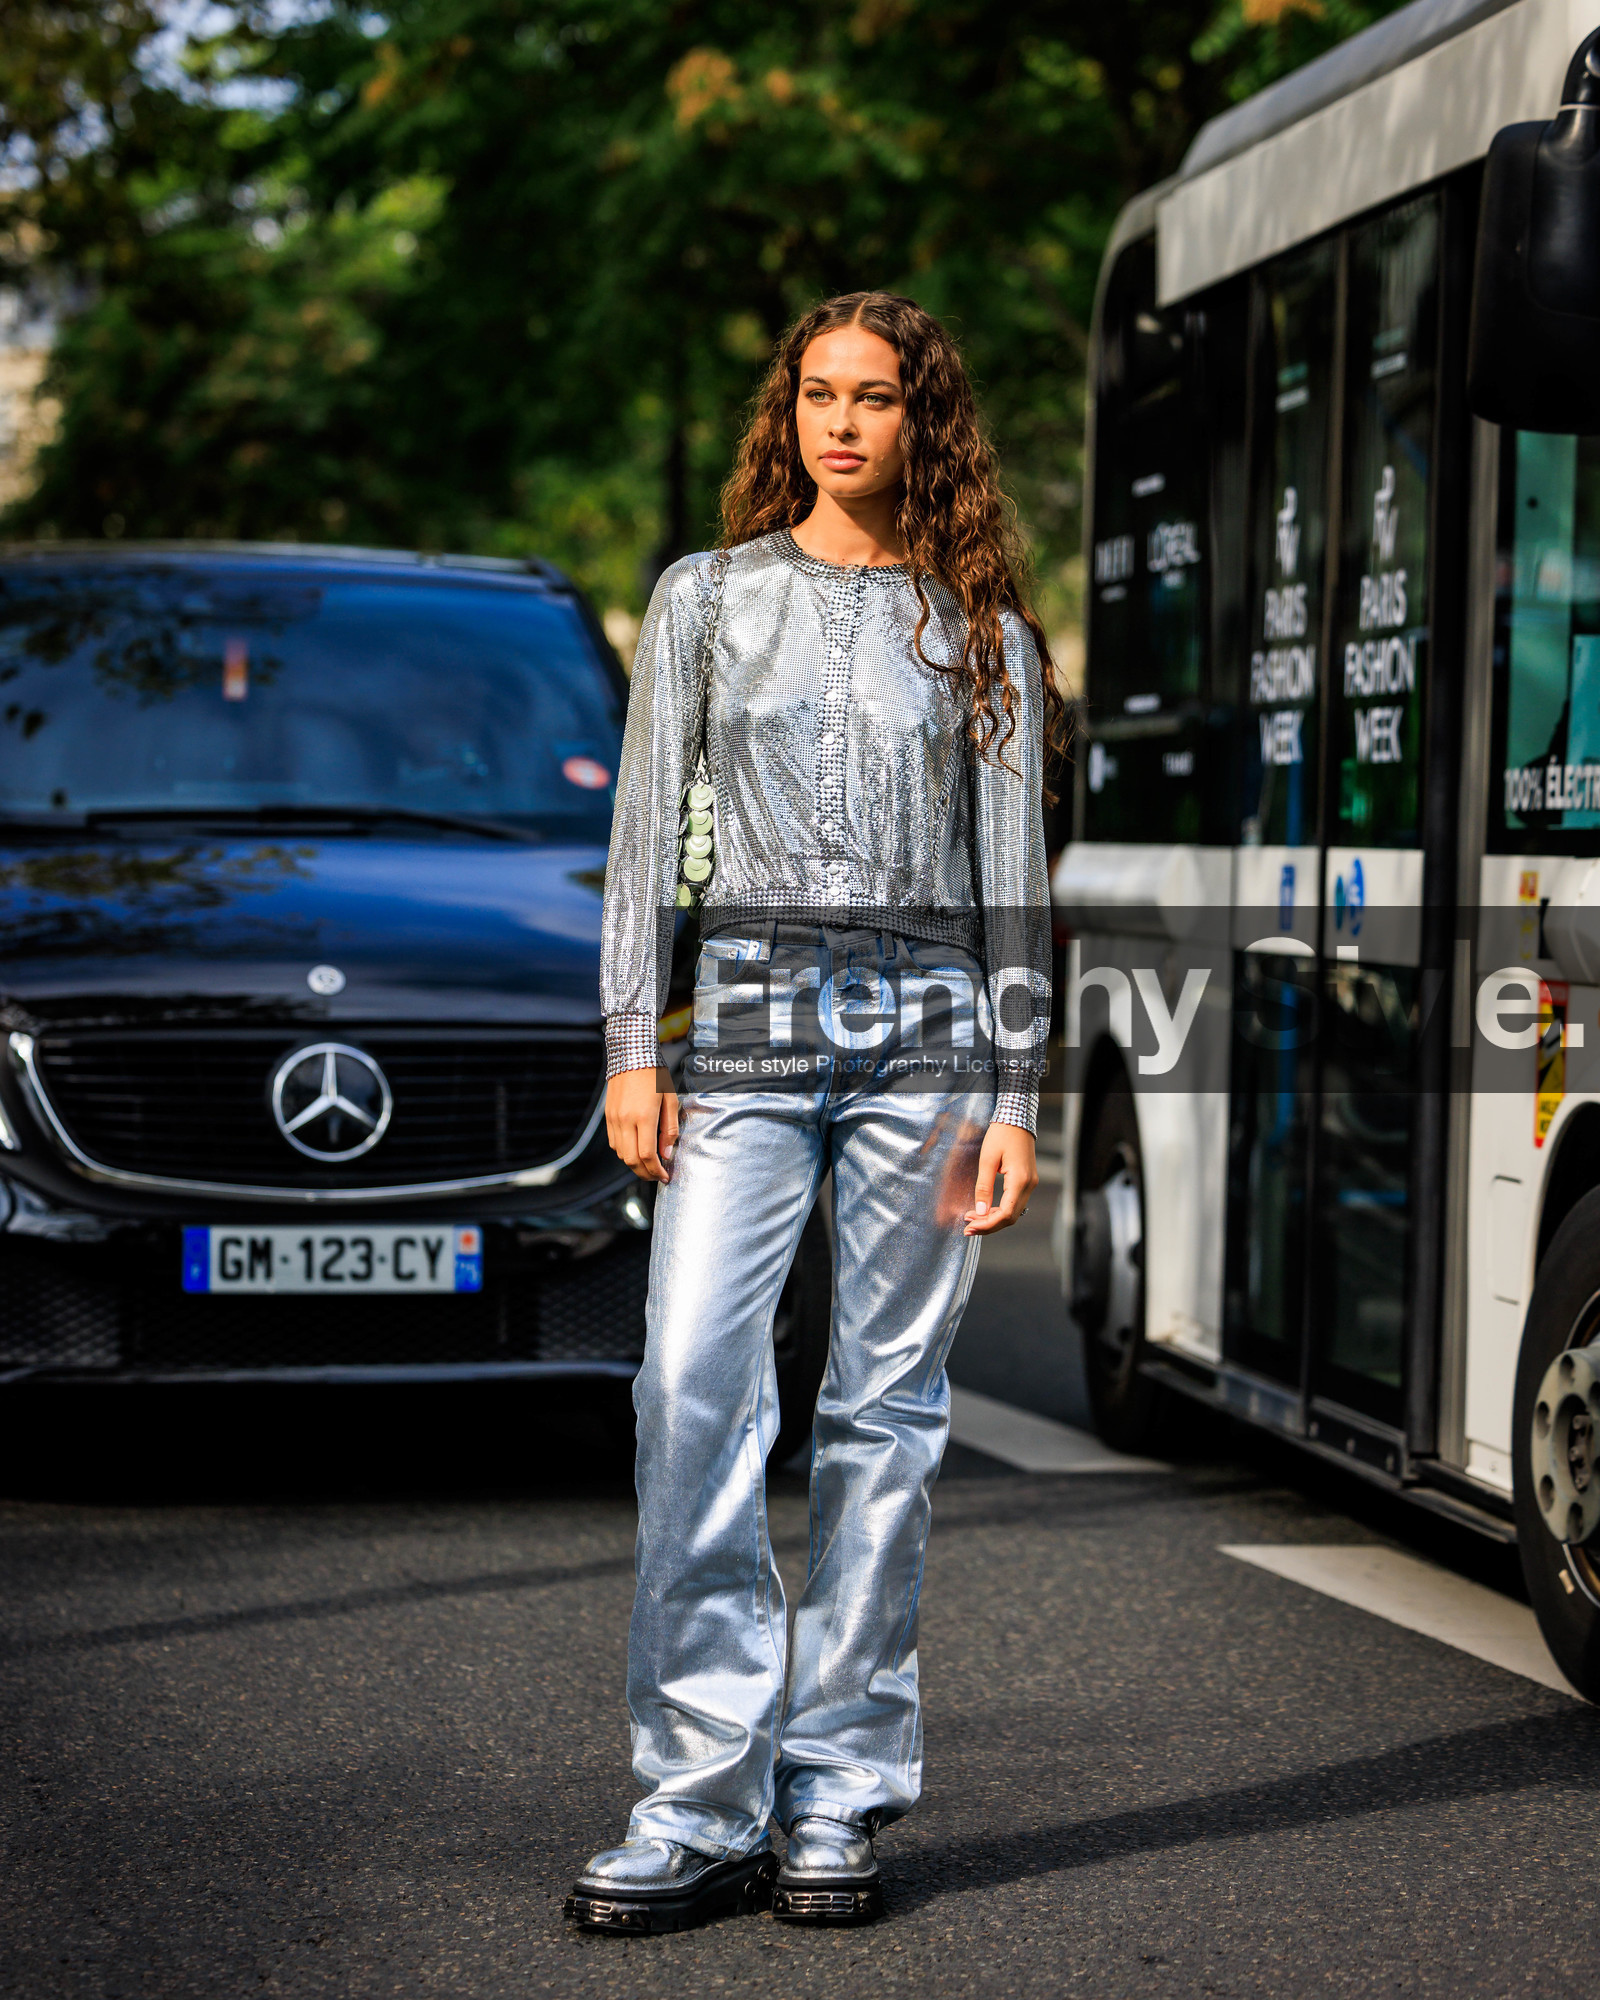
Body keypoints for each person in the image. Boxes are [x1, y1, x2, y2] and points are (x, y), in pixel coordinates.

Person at [564, 290, 1064, 1935]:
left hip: (929, 1027)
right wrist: (636, 1044)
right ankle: (698, 1792)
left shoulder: (979, 624)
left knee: (886, 1415)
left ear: (927, 424)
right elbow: (648, 837)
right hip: (759, 1017)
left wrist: (1014, 1087)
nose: (843, 423)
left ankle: (837, 1789)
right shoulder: (705, 602)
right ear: (785, 417)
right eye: (818, 396)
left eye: (879, 399)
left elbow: (1013, 882)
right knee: (693, 1386)